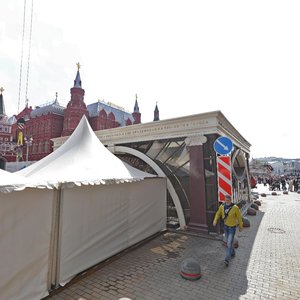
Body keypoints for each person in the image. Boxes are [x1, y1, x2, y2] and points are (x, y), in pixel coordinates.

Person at [213, 195, 243, 266]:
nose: (227, 201)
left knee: (229, 243)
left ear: (230, 200)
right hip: (225, 227)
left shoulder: (235, 208)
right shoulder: (222, 206)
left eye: (228, 200)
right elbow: (218, 213)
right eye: (226, 200)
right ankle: (232, 252)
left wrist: (241, 226)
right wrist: (215, 220)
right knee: (228, 242)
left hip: (232, 228)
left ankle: (227, 259)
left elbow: (239, 217)